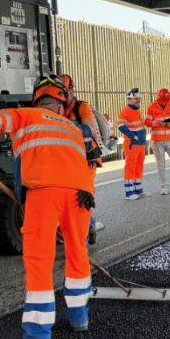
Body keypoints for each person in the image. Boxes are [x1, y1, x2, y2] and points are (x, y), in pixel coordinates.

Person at [0, 76, 97, 339]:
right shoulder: (73, 127)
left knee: (40, 260)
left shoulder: (26, 114)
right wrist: (88, 191)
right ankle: (80, 318)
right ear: (63, 105)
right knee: (78, 254)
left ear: (37, 101)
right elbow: (88, 160)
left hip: (44, 191)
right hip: (80, 194)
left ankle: (38, 337)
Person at [58, 74, 104, 243]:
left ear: (70, 90)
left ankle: (80, 244)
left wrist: (64, 126)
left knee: (81, 199)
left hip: (87, 159)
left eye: (63, 92)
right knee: (69, 199)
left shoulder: (82, 108)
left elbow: (89, 129)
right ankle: (89, 227)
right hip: (68, 160)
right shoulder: (57, 109)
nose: (61, 97)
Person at [118, 88, 148, 200]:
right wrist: (132, 136)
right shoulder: (125, 111)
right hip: (133, 144)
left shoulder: (136, 110)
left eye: (139, 98)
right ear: (129, 99)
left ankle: (138, 189)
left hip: (140, 144)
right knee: (130, 166)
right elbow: (120, 126)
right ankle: (129, 192)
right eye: (136, 98)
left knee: (139, 166)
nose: (138, 100)